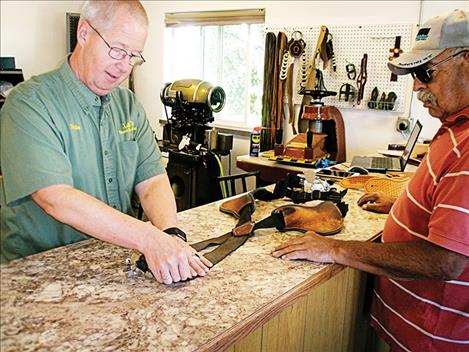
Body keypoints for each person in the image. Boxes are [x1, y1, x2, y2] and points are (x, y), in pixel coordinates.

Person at [272, 9, 469, 352]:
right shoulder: (456, 126)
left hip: (432, 340)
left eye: (426, 72)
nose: (418, 85)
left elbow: (446, 260)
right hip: (415, 330)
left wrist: (333, 249)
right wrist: (406, 206)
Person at [0, 0, 212, 285]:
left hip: (109, 266)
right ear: (84, 33)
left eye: (134, 56)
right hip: (36, 275)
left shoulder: (127, 105)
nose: (124, 66)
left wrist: (170, 233)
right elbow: (55, 198)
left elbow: (151, 180)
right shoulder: (27, 104)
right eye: (117, 50)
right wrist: (149, 237)